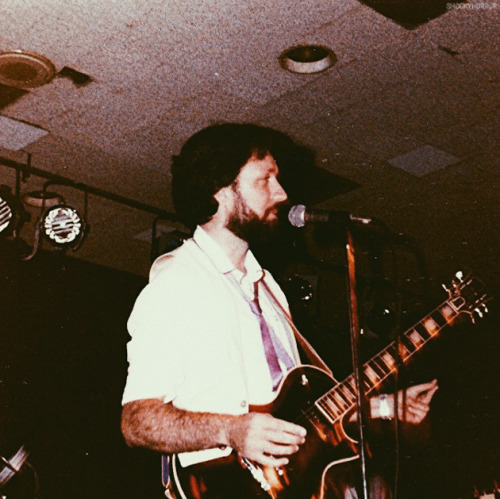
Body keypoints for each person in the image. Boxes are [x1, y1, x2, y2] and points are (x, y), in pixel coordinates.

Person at [120, 123, 438, 498]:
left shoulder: (268, 287)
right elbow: (136, 421)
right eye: (264, 180)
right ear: (221, 192)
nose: (282, 193)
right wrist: (231, 430)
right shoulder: (180, 278)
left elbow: (301, 415)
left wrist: (383, 406)